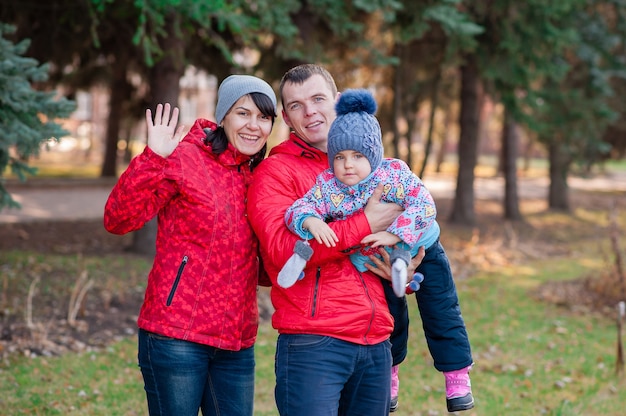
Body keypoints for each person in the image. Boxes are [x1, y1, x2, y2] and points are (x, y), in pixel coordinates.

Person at [278, 88, 475, 413]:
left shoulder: (392, 173)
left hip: (423, 246)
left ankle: (456, 375)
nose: (348, 165)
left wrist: (395, 234)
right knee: (392, 319)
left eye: (357, 156)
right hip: (374, 262)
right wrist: (311, 222)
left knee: (441, 310)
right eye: (339, 157)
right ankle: (392, 372)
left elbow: (424, 203)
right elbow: (298, 209)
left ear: (373, 154)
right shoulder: (329, 186)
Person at [247, 64, 418, 415]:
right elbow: (281, 253)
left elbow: (409, 225)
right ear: (286, 117)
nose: (309, 111)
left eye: (318, 99)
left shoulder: (373, 169)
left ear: (338, 102)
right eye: (296, 105)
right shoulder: (276, 172)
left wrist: (405, 266)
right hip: (314, 342)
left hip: (375, 339)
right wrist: (366, 220)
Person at [103, 74, 277, 416]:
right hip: (177, 335)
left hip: (236, 343)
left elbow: (260, 267)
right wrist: (153, 157)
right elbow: (119, 220)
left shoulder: (259, 176)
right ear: (223, 116)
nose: (253, 126)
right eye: (243, 113)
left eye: (264, 117)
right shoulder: (185, 158)